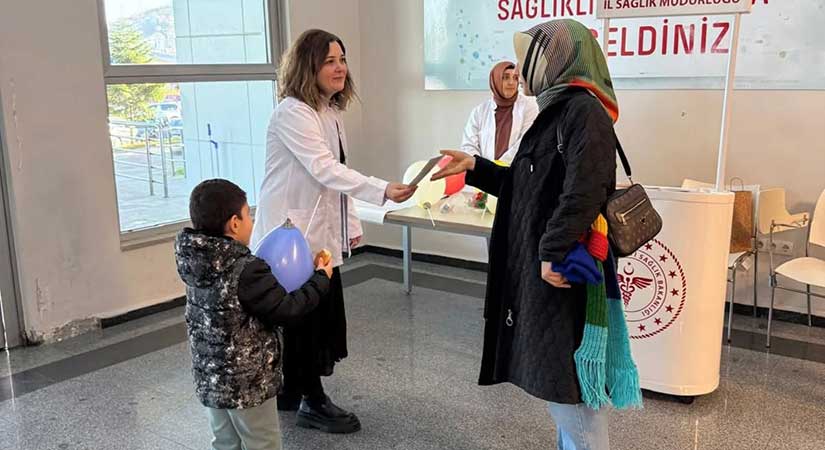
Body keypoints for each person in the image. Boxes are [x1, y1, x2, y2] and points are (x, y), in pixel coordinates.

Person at [433, 19, 642, 450]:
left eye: (533, 57)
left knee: (579, 409)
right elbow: (529, 182)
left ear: (560, 61)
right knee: (566, 400)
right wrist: (476, 167)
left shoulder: (583, 112)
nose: (522, 68)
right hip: (551, 277)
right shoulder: (558, 110)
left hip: (566, 275)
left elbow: (584, 192)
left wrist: (551, 251)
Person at [250, 29, 416, 434]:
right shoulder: (293, 112)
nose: (340, 67)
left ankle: (292, 391)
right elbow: (323, 168)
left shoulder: (329, 111)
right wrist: (381, 190)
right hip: (289, 237)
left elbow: (332, 181)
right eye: (329, 61)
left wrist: (351, 226)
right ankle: (312, 399)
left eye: (342, 59)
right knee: (307, 318)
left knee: (314, 314)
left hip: (316, 232)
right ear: (309, 67)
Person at [175, 178, 333, 450]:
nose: (251, 222)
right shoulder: (246, 268)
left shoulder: (193, 261)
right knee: (262, 443)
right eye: (248, 215)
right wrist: (321, 278)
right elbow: (287, 309)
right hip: (247, 384)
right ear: (234, 223)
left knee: (225, 442)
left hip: (210, 378)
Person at [460, 60, 538, 165]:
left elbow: (526, 141)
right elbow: (469, 146)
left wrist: (498, 166)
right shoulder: (479, 112)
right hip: (483, 176)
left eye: (515, 78)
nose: (511, 82)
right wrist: (480, 167)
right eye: (505, 77)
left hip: (515, 172)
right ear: (495, 80)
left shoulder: (529, 106)